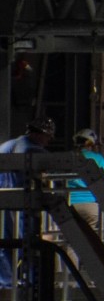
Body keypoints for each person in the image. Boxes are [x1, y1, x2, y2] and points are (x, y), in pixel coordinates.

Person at [0, 120, 55, 285]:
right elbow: (37, 158)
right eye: (47, 137)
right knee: (28, 242)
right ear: (39, 134)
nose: (48, 141)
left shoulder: (9, 144)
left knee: (6, 243)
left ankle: (7, 282)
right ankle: (24, 282)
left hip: (5, 200)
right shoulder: (26, 146)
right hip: (16, 201)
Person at [63, 129, 104, 230]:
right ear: (91, 144)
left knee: (71, 237)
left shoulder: (67, 158)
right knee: (91, 239)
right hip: (90, 204)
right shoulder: (97, 159)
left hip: (69, 204)